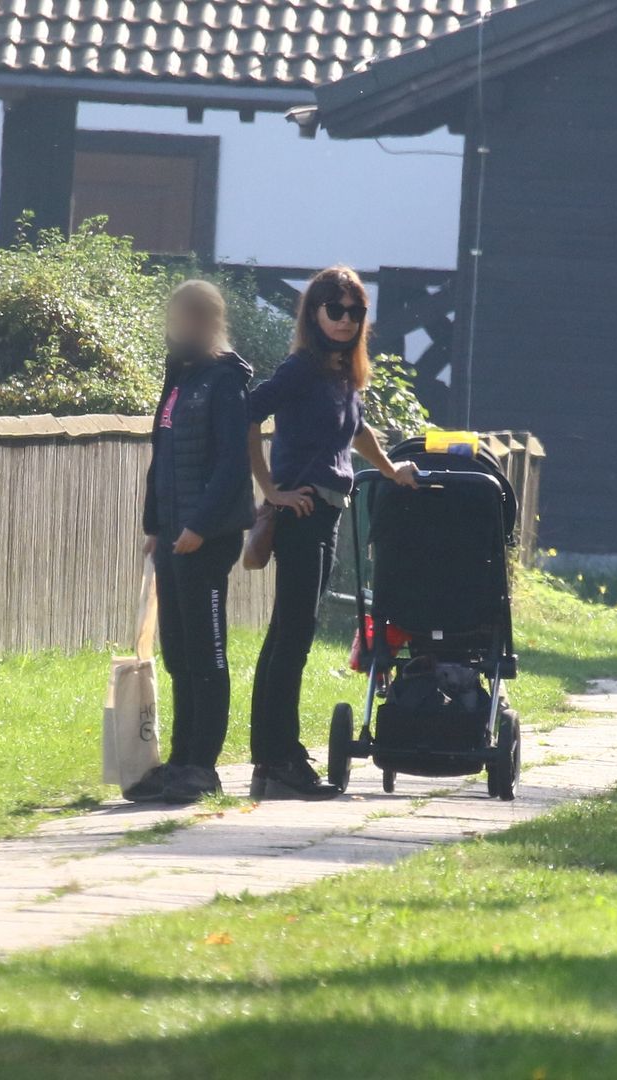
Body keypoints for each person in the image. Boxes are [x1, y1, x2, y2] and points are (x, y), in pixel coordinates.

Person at [246, 266, 419, 799]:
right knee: (291, 641)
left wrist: (391, 471)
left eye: (355, 312)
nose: (345, 321)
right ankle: (281, 761)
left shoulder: (342, 372)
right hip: (301, 512)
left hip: (324, 512)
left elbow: (357, 429)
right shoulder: (302, 368)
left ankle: (270, 763)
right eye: (335, 310)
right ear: (314, 313)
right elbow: (247, 414)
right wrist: (271, 490)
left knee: (285, 637)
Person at [126, 280, 255, 805]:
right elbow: (162, 454)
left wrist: (199, 526)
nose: (176, 327)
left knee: (207, 653)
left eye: (187, 318)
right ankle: (180, 760)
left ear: (207, 322)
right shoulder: (178, 377)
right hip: (174, 538)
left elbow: (231, 464)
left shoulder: (226, 382)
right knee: (178, 654)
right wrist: (155, 527)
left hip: (208, 537)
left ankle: (203, 766)